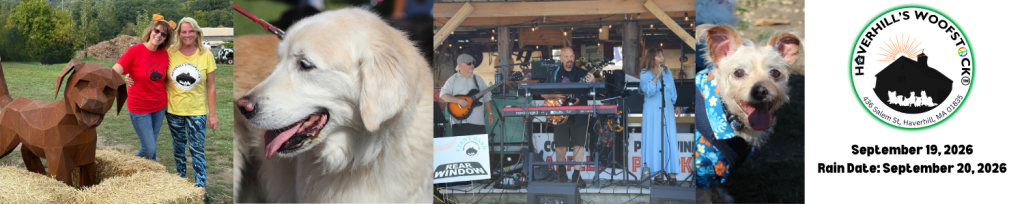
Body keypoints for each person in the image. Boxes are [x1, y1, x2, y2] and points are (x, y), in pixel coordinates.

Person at [166, 17, 217, 199]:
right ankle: (181, 182)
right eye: (183, 31)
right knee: (178, 148)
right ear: (179, 34)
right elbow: (154, 73)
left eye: (190, 31)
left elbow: (211, 86)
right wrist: (131, 77)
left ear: (197, 33)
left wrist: (213, 114)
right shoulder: (170, 52)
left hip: (197, 111)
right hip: (174, 110)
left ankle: (201, 189)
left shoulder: (206, 55)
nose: (187, 35)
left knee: (197, 149)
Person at [111, 19, 171, 161]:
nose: (158, 35)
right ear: (150, 31)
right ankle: (129, 170)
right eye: (156, 31)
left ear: (166, 39)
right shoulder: (135, 50)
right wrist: (124, 79)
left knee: (152, 146)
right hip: (139, 107)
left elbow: (166, 78)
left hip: (159, 106)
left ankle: (150, 177)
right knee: (149, 148)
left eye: (163, 34)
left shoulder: (165, 55)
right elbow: (113, 73)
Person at [541, 47, 594, 188]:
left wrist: (593, 81)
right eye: (566, 56)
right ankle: (562, 171)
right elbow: (542, 94)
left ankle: (577, 176)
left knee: (579, 145)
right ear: (561, 58)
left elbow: (594, 91)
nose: (569, 59)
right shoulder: (554, 74)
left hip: (580, 113)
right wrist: (553, 95)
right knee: (560, 146)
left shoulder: (583, 73)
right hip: (560, 114)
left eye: (571, 56)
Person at [639, 47, 681, 186]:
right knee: (654, 139)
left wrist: (677, 104)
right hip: (651, 111)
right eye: (659, 56)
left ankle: (671, 173)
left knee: (668, 138)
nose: (662, 58)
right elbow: (648, 91)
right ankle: (656, 173)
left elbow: (672, 90)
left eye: (662, 56)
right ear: (652, 58)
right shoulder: (644, 73)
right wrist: (657, 75)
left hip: (667, 109)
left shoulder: (667, 71)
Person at [439, 54, 494, 136]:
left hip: (477, 121)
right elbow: (443, 95)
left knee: (478, 147)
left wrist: (490, 113)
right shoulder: (453, 79)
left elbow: (486, 97)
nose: (472, 65)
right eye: (469, 63)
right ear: (460, 64)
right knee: (460, 147)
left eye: (473, 63)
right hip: (459, 122)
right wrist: (459, 101)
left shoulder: (478, 79)